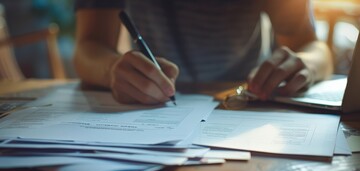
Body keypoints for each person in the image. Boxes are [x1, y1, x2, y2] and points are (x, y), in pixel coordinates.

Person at [73, 0, 333, 105]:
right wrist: (111, 70)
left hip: (247, 104)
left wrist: (307, 64)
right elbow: (89, 46)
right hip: (147, 104)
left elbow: (315, 48)